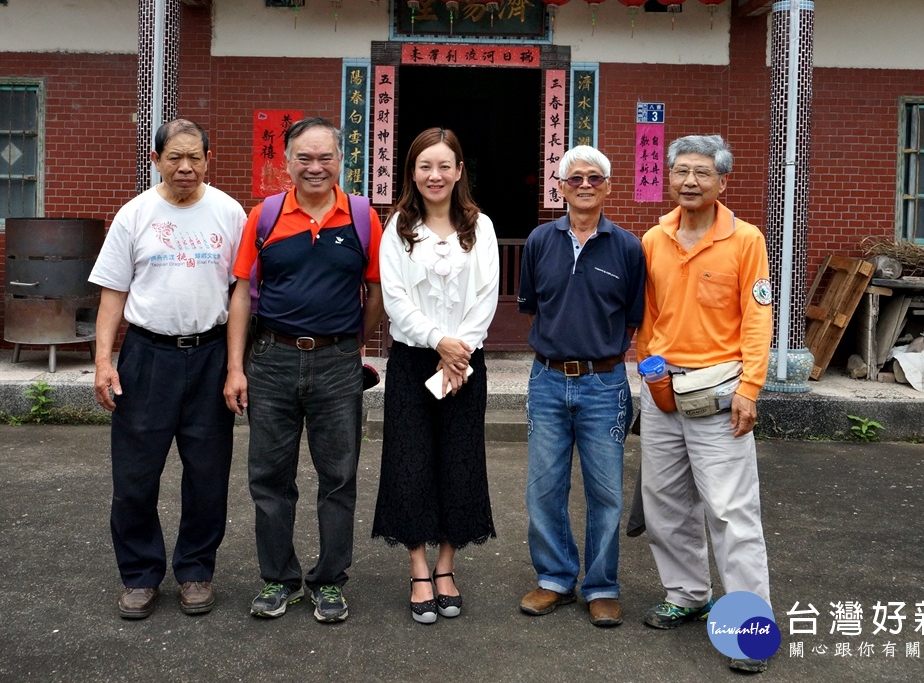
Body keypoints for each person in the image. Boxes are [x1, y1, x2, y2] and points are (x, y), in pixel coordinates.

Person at [225, 116, 384, 624]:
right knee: (270, 477)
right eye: (304, 158)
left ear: (341, 161)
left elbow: (377, 291)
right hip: (271, 360)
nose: (315, 167)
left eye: (325, 158)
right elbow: (242, 296)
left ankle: (330, 581)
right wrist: (236, 368)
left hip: (338, 362)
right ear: (287, 162)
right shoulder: (266, 216)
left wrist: (352, 343)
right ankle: (278, 578)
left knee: (338, 477)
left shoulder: (362, 217)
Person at [90, 117, 246, 620]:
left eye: (195, 157)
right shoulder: (134, 215)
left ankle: (196, 570)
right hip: (147, 357)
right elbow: (113, 293)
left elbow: (241, 294)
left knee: (207, 474)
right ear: (155, 159)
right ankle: (139, 575)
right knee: (135, 476)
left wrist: (236, 365)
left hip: (210, 355)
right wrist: (103, 361)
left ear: (207, 159)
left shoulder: (228, 213)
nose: (185, 167)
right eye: (174, 157)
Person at [635, 134, 774, 674]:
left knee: (731, 512)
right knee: (665, 504)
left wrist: (750, 388)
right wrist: (649, 370)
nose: (689, 181)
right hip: (664, 390)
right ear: (668, 177)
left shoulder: (746, 240)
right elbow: (648, 314)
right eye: (680, 172)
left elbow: (758, 317)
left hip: (721, 395)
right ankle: (688, 594)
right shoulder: (654, 238)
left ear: (722, 182)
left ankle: (748, 628)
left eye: (701, 173)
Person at [371, 128, 500, 625]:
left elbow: (486, 293)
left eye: (445, 165)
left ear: (459, 170)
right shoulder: (398, 227)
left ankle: (447, 566)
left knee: (459, 461)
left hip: (465, 363)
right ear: (412, 172)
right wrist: (437, 342)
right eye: (425, 166)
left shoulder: (480, 227)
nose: (435, 175)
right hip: (413, 362)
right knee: (411, 462)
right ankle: (419, 568)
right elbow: (395, 299)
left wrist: (459, 349)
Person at [516, 145, 645, 628]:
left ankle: (601, 585)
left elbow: (634, 316)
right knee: (543, 487)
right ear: (561, 187)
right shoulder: (539, 241)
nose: (585, 185)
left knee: (606, 490)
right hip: (547, 379)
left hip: (604, 383)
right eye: (575, 179)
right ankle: (553, 577)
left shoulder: (629, 247)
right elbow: (531, 305)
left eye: (595, 178)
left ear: (609, 187)